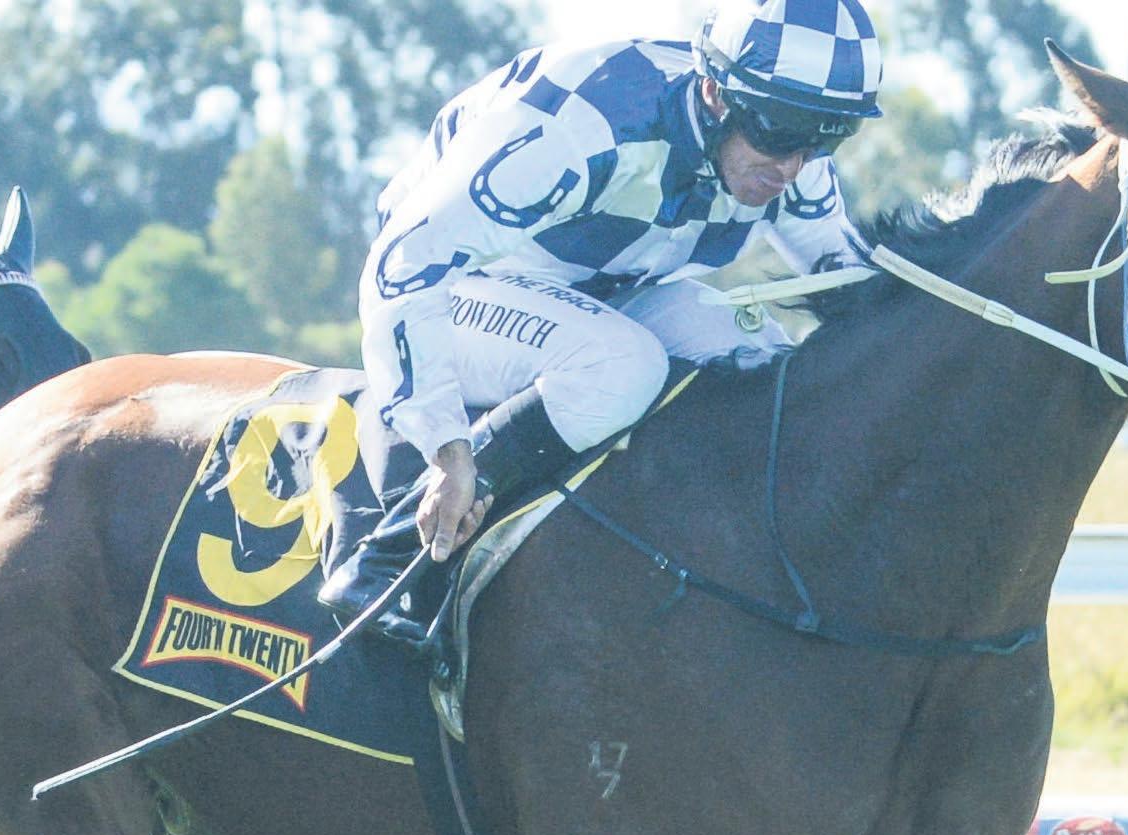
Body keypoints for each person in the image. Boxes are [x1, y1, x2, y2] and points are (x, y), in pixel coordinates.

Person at [323, 0, 882, 652]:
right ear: (714, 93)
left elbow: (851, 282)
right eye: (781, 132)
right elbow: (403, 266)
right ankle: (388, 557)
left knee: (762, 353)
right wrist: (446, 449)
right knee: (622, 364)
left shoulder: (785, 146)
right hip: (454, 286)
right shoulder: (577, 127)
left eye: (825, 138)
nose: (792, 167)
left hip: (603, 298)